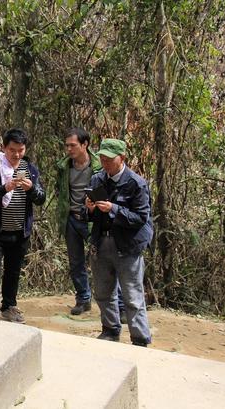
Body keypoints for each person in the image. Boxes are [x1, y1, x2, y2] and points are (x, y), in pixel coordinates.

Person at [84, 138, 153, 347]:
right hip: (101, 242)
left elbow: (141, 217)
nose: (104, 163)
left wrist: (113, 209)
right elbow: (84, 215)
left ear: (121, 158)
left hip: (127, 246)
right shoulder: (97, 180)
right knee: (103, 292)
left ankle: (140, 338)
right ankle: (110, 330)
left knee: (132, 295)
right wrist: (90, 209)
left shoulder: (136, 184)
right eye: (102, 159)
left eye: (109, 159)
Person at [0, 128, 46, 323]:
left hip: (20, 232)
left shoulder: (29, 169)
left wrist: (31, 189)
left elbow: (41, 198)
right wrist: (4, 188)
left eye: (21, 150)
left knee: (13, 272)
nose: (16, 154)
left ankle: (8, 307)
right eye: (12, 150)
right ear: (3, 147)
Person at [55, 128, 101, 315]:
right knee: (76, 262)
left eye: (73, 145)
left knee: (104, 260)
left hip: (93, 220)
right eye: (67, 145)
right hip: (71, 220)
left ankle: (117, 304)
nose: (69, 149)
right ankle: (83, 299)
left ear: (85, 145)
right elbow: (61, 190)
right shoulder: (64, 166)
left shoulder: (98, 165)